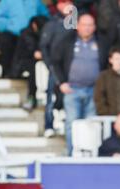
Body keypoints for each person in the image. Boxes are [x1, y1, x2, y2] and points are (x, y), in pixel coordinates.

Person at [52, 14, 108, 156]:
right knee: (72, 124)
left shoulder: (101, 42)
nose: (87, 28)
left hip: (94, 90)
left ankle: (90, 155)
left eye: (90, 25)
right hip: (73, 90)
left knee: (92, 124)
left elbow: (106, 65)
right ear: (77, 26)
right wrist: (62, 82)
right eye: (84, 24)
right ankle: (72, 155)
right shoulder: (67, 41)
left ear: (94, 27)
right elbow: (55, 62)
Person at [40, 0, 76, 138]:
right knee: (52, 97)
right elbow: (44, 46)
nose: (68, 5)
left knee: (66, 98)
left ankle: (62, 124)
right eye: (65, 2)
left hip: (71, 67)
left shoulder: (75, 22)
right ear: (59, 5)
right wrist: (50, 64)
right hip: (55, 67)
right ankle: (48, 125)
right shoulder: (52, 24)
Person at [0, 0, 49, 77]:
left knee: (31, 52)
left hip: (30, 34)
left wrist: (36, 25)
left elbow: (45, 15)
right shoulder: (7, 1)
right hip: (12, 33)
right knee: (7, 44)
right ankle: (8, 72)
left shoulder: (36, 1)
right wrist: (9, 26)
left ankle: (24, 73)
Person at [10, 16, 48, 111]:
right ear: (34, 25)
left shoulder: (38, 34)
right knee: (34, 70)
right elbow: (35, 53)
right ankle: (31, 98)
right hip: (20, 65)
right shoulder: (27, 34)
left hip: (32, 62)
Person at [94, 48, 120, 116]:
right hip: (107, 118)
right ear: (110, 60)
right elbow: (99, 98)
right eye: (116, 59)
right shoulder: (104, 76)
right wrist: (106, 113)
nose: (119, 62)